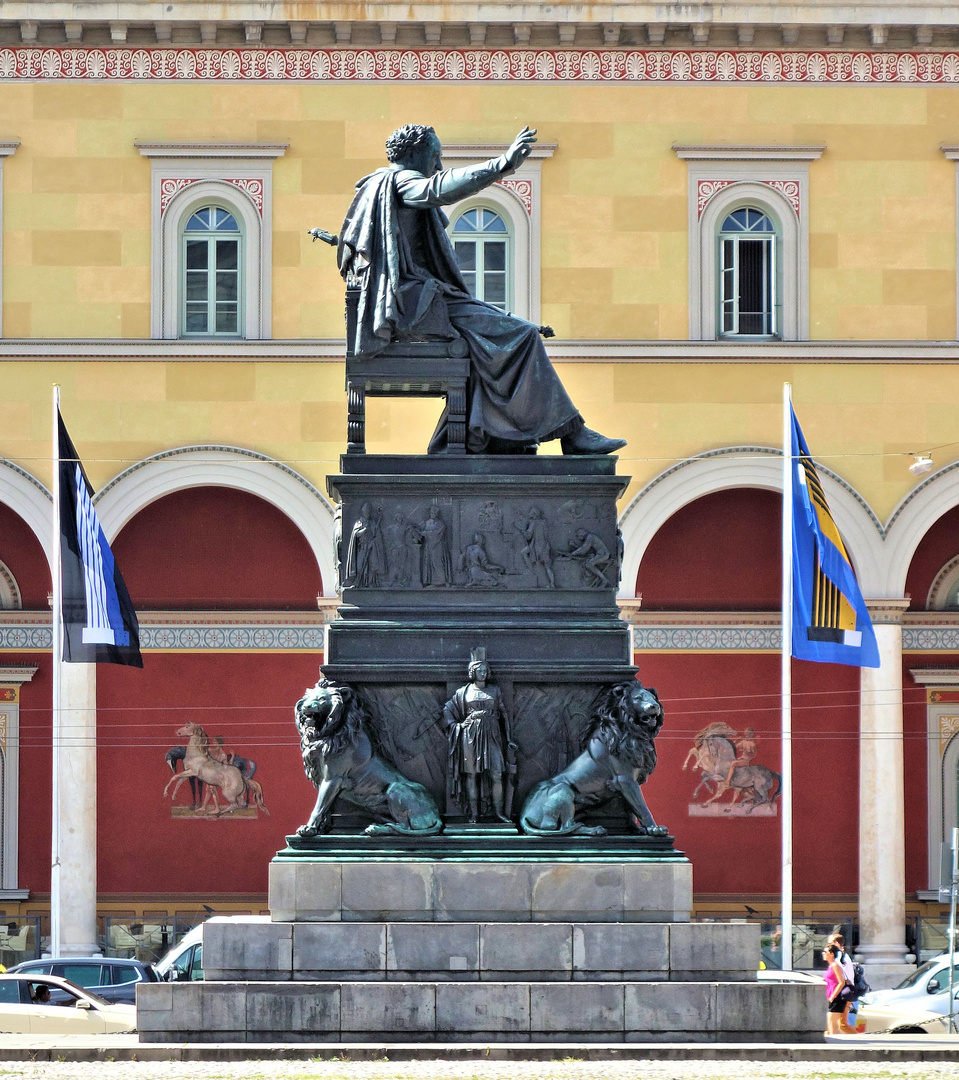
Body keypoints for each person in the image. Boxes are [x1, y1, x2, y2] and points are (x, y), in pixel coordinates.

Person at [337, 123, 627, 457]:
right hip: (414, 307)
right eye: (435, 157)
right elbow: (439, 188)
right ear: (416, 155)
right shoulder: (401, 181)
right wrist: (502, 164)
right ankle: (571, 435)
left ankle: (496, 436)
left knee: (514, 332)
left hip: (420, 301)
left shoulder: (378, 188)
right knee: (522, 337)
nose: (439, 165)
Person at [444, 658, 516, 822]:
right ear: (472, 672)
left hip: (492, 734)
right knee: (472, 775)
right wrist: (459, 726)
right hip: (470, 735)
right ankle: (474, 814)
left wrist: (509, 738)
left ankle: (499, 813)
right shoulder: (463, 692)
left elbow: (504, 715)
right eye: (479, 670)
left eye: (485, 670)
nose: (483, 673)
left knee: (496, 774)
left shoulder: (495, 690)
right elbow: (448, 709)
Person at [828, 932, 858, 1034]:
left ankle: (859, 1039)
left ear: (836, 943)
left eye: (830, 943)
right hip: (846, 990)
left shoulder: (839, 956)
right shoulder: (843, 955)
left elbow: (839, 973)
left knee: (841, 1024)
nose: (828, 946)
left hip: (844, 991)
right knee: (840, 1023)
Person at [822, 942, 851, 1035]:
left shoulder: (835, 965)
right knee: (829, 1024)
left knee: (832, 1024)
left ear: (832, 954)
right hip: (831, 997)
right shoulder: (830, 966)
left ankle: (838, 1045)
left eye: (825, 952)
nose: (823, 954)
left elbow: (841, 982)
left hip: (836, 998)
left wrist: (833, 996)